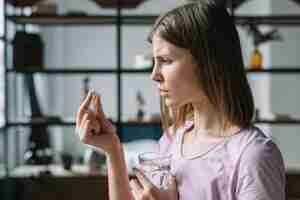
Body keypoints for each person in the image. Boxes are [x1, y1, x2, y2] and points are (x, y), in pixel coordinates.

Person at [75, 1, 285, 200]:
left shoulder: (253, 156)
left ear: (208, 62)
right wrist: (113, 149)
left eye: (165, 60)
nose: (154, 75)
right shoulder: (173, 139)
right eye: (154, 62)